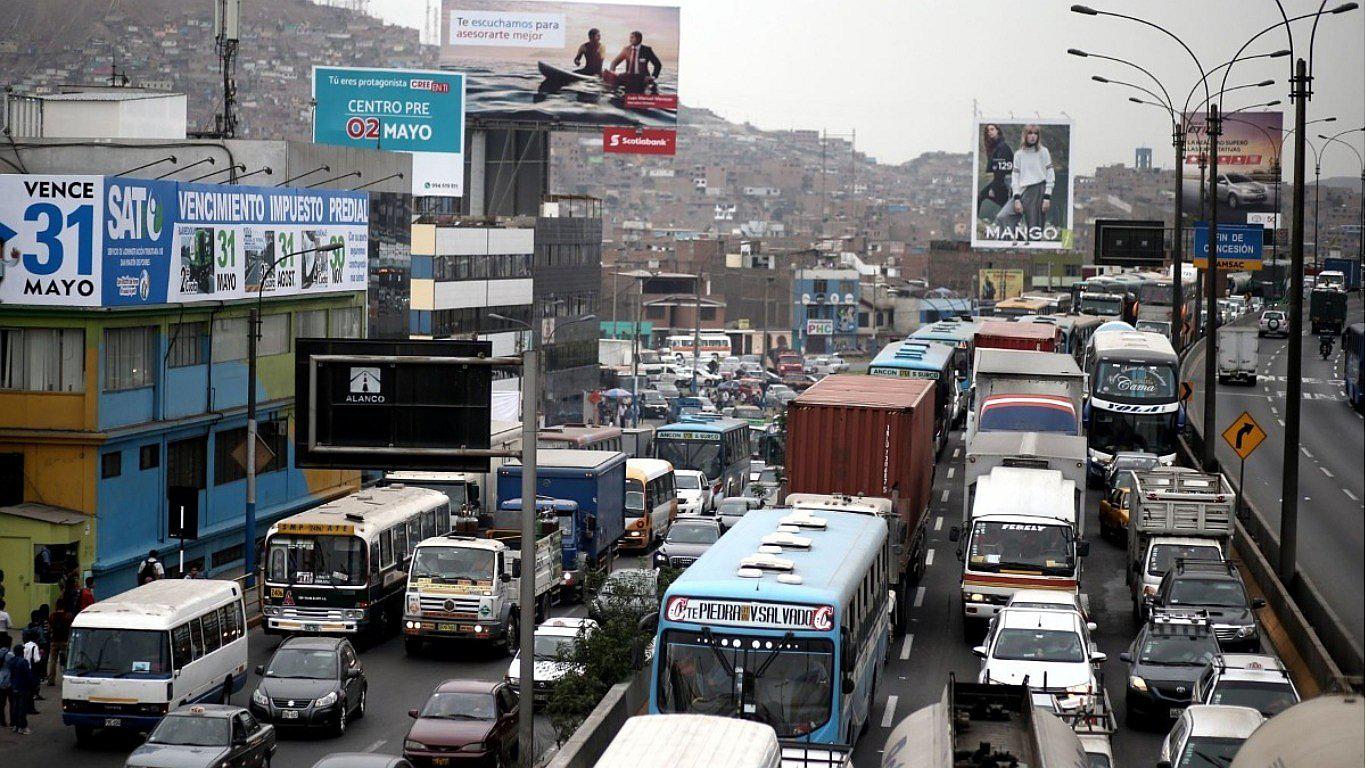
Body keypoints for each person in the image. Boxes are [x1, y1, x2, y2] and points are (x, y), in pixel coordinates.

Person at [993, 124, 1056, 242]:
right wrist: (1016, 198)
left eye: (1035, 134)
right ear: (1025, 135)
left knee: (1034, 229)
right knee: (1002, 217)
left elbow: (1050, 174)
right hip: (1022, 191)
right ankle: (1015, 242)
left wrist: (1047, 197)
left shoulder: (1044, 152)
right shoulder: (1019, 154)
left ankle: (1033, 254)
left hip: (1038, 190)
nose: (1033, 136)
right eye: (1030, 133)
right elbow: (1015, 177)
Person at [977, 123, 1015, 218]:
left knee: (982, 196)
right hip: (1001, 180)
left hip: (1005, 181)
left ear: (997, 130)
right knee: (982, 197)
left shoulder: (1002, 147)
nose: (989, 132)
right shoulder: (995, 146)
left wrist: (993, 188)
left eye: (992, 129)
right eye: (987, 131)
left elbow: (1002, 170)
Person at [609, 31, 663, 95]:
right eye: (630, 38)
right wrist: (612, 72)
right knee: (611, 89)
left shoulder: (647, 50)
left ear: (638, 39)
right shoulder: (626, 49)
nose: (630, 40)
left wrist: (653, 77)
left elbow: (658, 65)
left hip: (642, 78)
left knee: (650, 93)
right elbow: (614, 62)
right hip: (628, 76)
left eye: (632, 38)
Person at [6, 633, 35, 734]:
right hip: (23, 687)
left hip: (14, 686)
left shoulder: (11, 661)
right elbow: (28, 676)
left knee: (15, 707)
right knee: (22, 708)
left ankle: (15, 725)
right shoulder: (23, 662)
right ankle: (23, 726)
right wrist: (32, 686)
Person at [45, 605, 71, 686]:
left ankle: (51, 680)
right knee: (65, 661)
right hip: (64, 641)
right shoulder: (67, 615)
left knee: (53, 661)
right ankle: (66, 678)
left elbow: (48, 628)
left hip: (54, 641)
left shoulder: (53, 615)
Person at [0, 634, 12, 728]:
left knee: (1, 703)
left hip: (0, 679)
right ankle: (13, 721)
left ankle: (2, 720)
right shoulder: (10, 654)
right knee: (12, 702)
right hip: (9, 680)